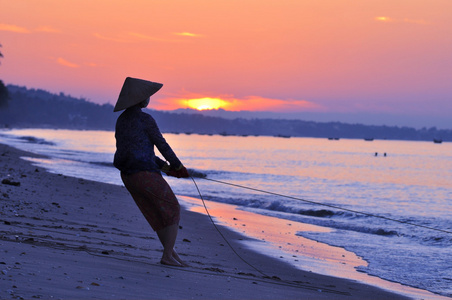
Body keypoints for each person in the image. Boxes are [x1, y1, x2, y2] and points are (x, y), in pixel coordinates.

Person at [113, 77, 190, 267]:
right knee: (172, 208)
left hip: (128, 175)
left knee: (157, 213)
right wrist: (178, 167)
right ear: (141, 99)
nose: (148, 99)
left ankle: (172, 255)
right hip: (143, 174)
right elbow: (161, 144)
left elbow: (137, 150)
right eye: (147, 96)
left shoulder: (121, 120)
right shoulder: (145, 119)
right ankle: (167, 256)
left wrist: (166, 168)